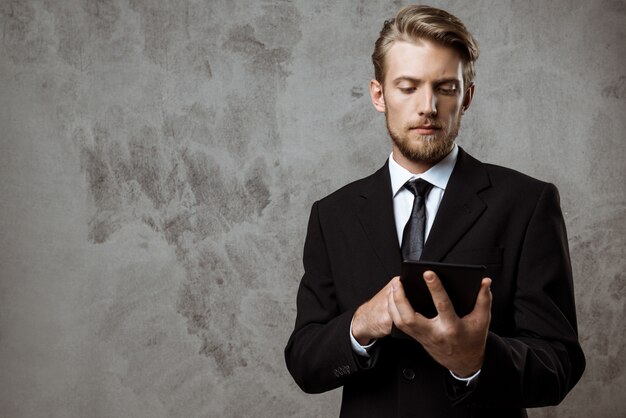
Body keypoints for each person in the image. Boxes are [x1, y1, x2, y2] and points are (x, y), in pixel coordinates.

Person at [284, 5, 585, 417]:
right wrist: (360, 325)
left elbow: (560, 364)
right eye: (408, 87)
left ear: (467, 98)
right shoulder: (332, 214)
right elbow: (304, 362)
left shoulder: (527, 204)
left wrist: (473, 361)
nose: (427, 106)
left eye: (445, 88)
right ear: (379, 95)